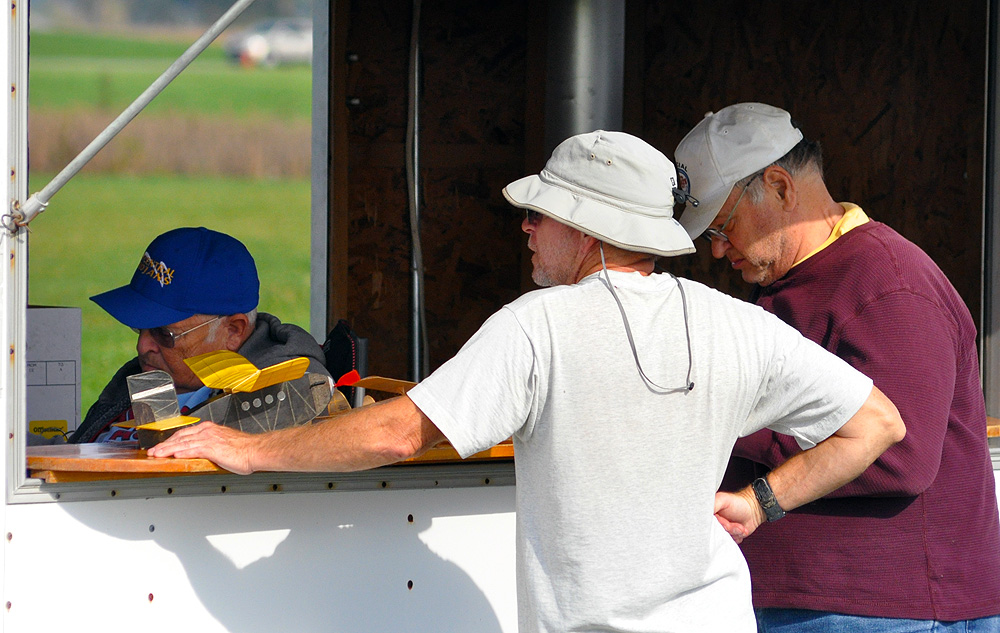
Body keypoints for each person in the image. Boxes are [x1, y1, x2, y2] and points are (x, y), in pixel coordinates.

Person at [149, 131, 904, 632]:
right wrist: (764, 502)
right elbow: (876, 423)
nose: (526, 227)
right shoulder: (733, 322)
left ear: (588, 227)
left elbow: (396, 430)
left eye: (542, 212)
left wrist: (249, 450)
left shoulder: (539, 324)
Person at [674, 102, 1000, 631]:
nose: (716, 251)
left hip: (888, 607)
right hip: (831, 602)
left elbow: (901, 453)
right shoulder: (789, 285)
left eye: (722, 226)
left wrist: (729, 426)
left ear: (780, 187)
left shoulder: (888, 281)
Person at [70, 227, 330, 443]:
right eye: (140, 328)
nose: (143, 345)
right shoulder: (154, 374)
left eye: (165, 333)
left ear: (232, 331)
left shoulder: (286, 397)